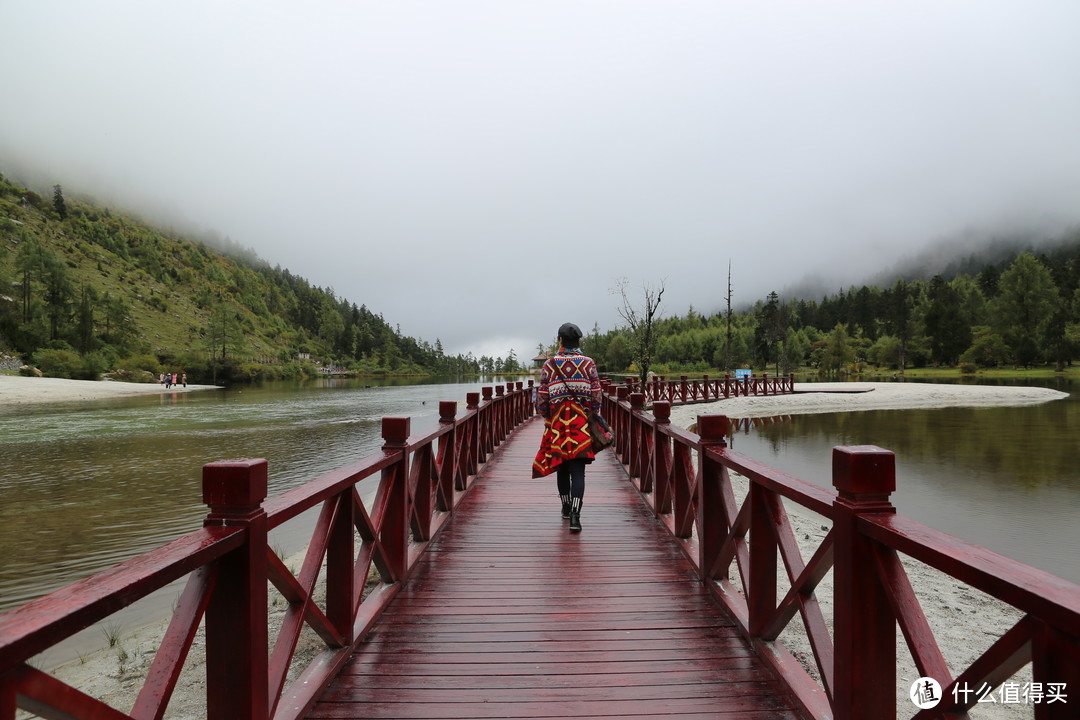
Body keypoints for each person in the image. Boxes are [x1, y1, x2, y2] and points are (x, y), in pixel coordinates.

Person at [532, 322, 601, 533]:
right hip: (580, 424)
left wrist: (546, 415)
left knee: (561, 467)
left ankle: (565, 507)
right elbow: (596, 396)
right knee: (578, 472)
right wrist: (593, 415)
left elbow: (542, 398)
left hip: (558, 425)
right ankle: (576, 517)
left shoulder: (550, 365)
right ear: (578, 340)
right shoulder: (588, 363)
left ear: (560, 340)